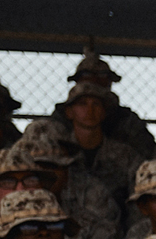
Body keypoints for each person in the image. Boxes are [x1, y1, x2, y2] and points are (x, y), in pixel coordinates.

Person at [60, 80, 144, 210]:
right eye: (82, 104)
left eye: (96, 104)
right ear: (69, 112)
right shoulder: (58, 153)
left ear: (104, 112)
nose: (90, 110)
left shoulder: (126, 155)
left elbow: (139, 200)